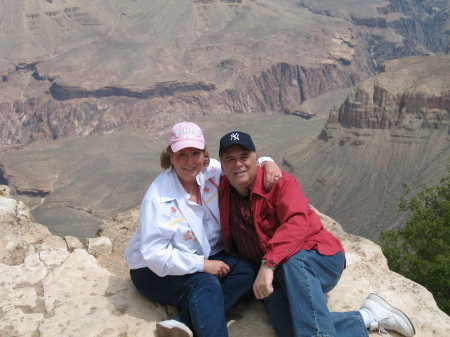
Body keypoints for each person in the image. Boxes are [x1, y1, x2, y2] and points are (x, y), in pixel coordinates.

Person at [218, 130, 416, 337]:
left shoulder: (280, 183)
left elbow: (296, 222)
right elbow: (189, 168)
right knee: (290, 329)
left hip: (317, 259)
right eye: (230, 159)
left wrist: (268, 264)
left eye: (244, 157)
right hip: (277, 278)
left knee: (292, 261)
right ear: (222, 165)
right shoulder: (219, 186)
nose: (238, 164)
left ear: (256, 158)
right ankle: (368, 316)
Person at [124, 122, 281, 337]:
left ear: (204, 153)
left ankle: (184, 321)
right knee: (205, 284)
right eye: (182, 154)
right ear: (170, 156)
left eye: (196, 153)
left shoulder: (212, 172)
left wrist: (268, 163)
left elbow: (240, 165)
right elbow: (154, 254)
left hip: (206, 254)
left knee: (248, 269)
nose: (190, 162)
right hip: (152, 270)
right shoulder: (158, 199)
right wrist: (201, 265)